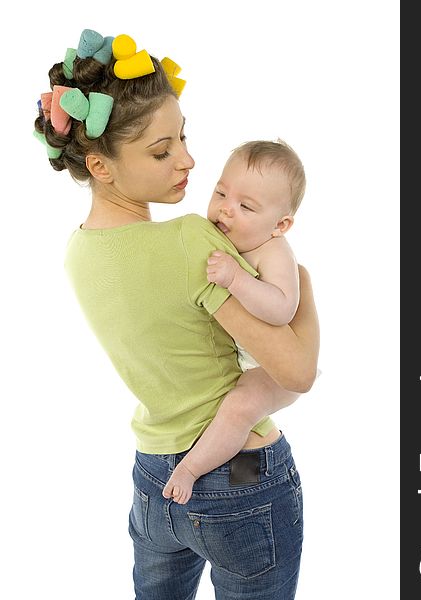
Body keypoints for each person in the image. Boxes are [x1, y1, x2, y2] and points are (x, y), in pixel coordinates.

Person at [35, 29, 319, 600]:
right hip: (239, 480)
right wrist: (303, 283)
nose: (188, 159)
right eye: (162, 151)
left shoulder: (76, 253)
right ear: (101, 165)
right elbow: (296, 372)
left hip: (153, 481)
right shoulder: (193, 243)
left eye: (183, 137)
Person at [162, 139, 310, 505]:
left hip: (270, 368)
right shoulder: (220, 237)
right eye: (221, 193)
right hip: (240, 355)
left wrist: (237, 280)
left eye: (245, 206)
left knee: (239, 406)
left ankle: (191, 470)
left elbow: (282, 309)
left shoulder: (272, 251)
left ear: (281, 224)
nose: (226, 210)